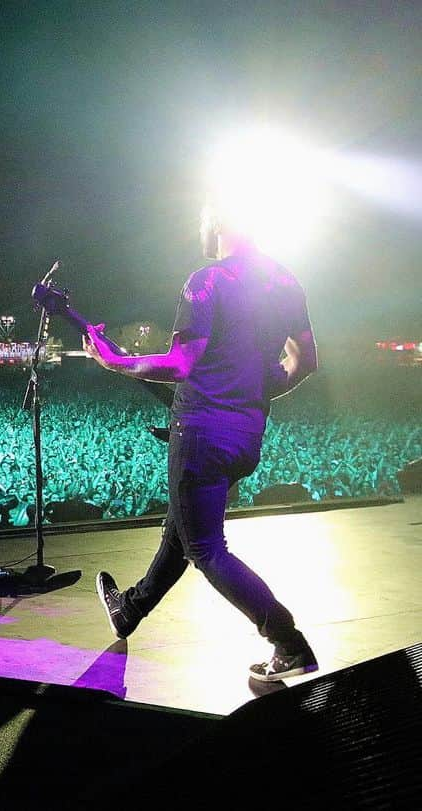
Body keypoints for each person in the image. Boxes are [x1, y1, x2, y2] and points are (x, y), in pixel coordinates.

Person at [83, 198, 319, 683]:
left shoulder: (206, 281)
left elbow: (179, 365)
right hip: (245, 435)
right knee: (183, 531)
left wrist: (114, 363)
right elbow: (305, 362)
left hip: (200, 433)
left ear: (216, 223)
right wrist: (254, 388)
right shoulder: (284, 281)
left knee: (206, 548)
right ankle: (128, 611)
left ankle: (288, 641)